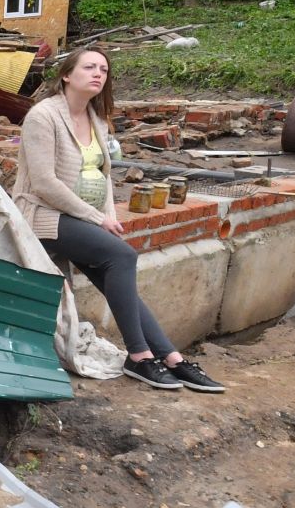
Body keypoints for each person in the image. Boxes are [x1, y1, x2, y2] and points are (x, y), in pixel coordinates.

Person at [12, 48, 225, 393]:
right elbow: (43, 182)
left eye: (104, 69)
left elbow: (104, 174)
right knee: (122, 256)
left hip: (80, 220)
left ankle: (171, 357)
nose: (98, 74)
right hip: (43, 216)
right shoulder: (43, 116)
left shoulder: (96, 118)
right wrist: (95, 216)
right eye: (89, 67)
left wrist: (107, 215)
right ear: (67, 75)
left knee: (115, 276)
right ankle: (139, 357)